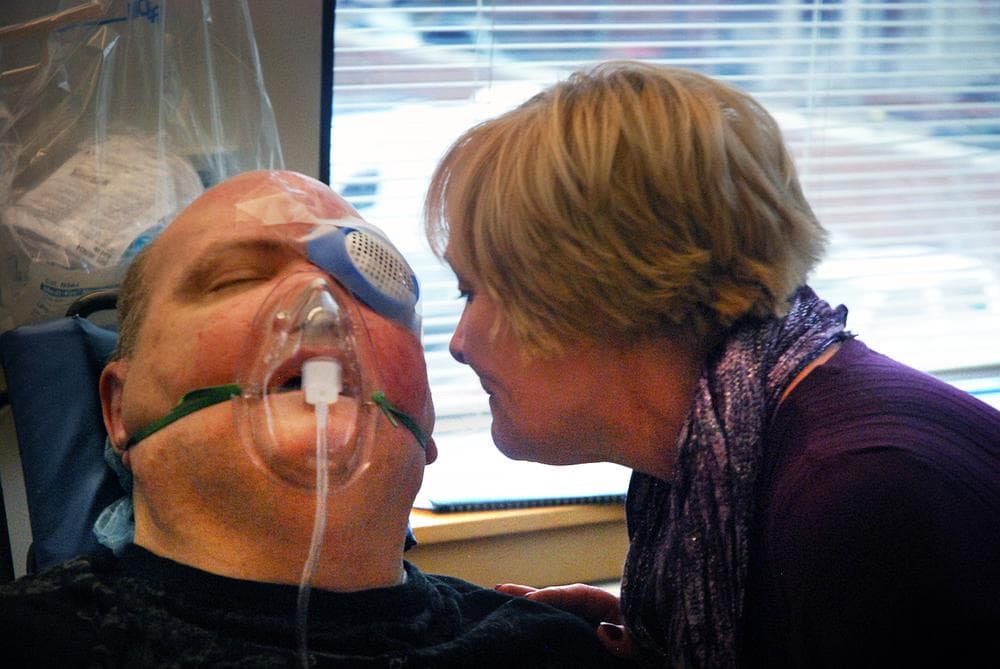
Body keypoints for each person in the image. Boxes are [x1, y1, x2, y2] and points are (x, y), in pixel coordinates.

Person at [424, 61, 1000, 667]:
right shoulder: (727, 455)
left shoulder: (852, 497)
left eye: (474, 292)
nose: (460, 343)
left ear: (596, 290)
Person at [0, 170, 629, 668]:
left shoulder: (563, 647)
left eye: (368, 281)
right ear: (118, 407)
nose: (319, 305)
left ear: (429, 417)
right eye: (235, 278)